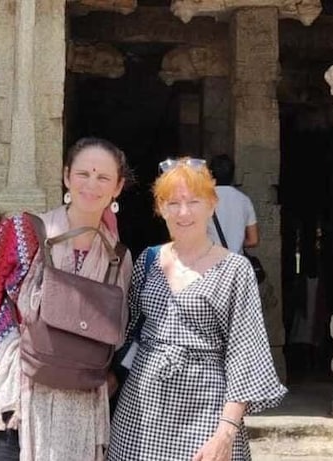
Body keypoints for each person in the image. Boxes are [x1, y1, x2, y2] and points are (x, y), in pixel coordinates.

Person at [0, 137, 133, 460]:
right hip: (10, 386)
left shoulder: (118, 257)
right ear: (66, 177)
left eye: (103, 177)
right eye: (83, 174)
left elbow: (118, 325)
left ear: (117, 187)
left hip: (80, 395)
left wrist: (111, 376)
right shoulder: (23, 230)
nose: (91, 185)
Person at [108, 157, 286, 461]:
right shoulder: (147, 261)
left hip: (207, 409)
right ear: (160, 208)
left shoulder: (235, 269)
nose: (183, 212)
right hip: (141, 410)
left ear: (211, 204)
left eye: (194, 201)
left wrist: (226, 432)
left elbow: (245, 354)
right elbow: (125, 333)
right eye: (173, 202)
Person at [207, 155, 258, 254]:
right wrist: (235, 243)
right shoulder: (245, 201)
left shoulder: (203, 200)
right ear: (232, 174)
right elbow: (253, 240)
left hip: (209, 262)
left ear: (210, 174)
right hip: (235, 263)